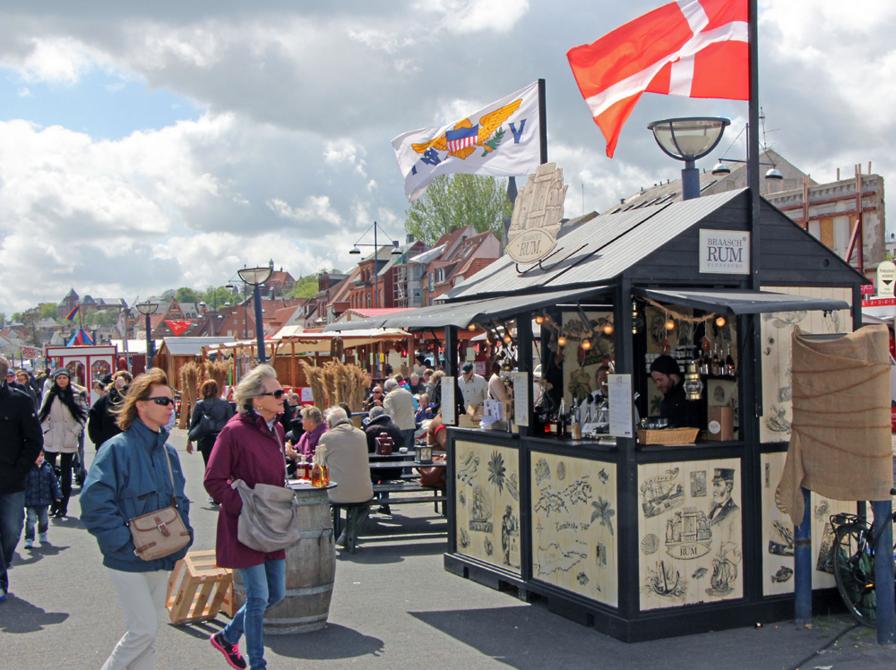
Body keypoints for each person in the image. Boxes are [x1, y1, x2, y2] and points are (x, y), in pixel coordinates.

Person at [80, 368, 193, 669]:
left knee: (147, 634)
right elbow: (93, 502)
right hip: (128, 556)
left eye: (173, 401)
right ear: (140, 404)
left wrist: (184, 536)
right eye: (162, 401)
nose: (170, 407)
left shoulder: (168, 452)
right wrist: (122, 543)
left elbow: (179, 498)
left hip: (162, 551)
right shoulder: (116, 449)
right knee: (143, 629)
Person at [204, 364, 288, 670]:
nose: (283, 397)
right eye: (277, 393)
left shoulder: (277, 430)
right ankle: (257, 664)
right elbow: (213, 479)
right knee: (258, 596)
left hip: (271, 523)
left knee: (276, 593)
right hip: (245, 525)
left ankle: (227, 637)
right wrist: (241, 504)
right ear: (257, 399)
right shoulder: (233, 431)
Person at [0, 355, 43, 602]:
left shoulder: (20, 401)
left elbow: (34, 440)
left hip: (12, 480)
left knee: (11, 529)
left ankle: (2, 566)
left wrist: (20, 470)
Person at [315, 406, 373, 552]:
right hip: (364, 491)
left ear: (330, 423)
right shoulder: (361, 435)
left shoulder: (326, 437)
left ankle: (337, 535)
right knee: (364, 504)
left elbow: (320, 464)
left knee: (327, 497)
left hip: (337, 492)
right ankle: (347, 533)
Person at [39, 369, 86, 519]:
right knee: (50, 473)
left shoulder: (76, 395)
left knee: (66, 474)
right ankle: (53, 504)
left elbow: (83, 416)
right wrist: (46, 430)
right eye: (59, 378)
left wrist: (73, 432)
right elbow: (42, 414)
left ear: (69, 379)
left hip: (68, 436)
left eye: (64, 377)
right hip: (52, 437)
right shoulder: (49, 394)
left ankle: (63, 506)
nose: (61, 380)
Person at [186, 379, 234, 468]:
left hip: (205, 439)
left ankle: (209, 481)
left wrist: (189, 440)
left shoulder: (200, 404)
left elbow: (194, 422)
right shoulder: (225, 404)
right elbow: (231, 423)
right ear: (216, 390)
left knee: (208, 465)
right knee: (222, 466)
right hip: (222, 439)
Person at [23, 451, 62, 550]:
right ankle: (29, 539)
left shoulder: (48, 467)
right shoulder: (28, 468)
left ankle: (42, 533)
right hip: (31, 501)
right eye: (37, 456)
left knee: (44, 519)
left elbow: (54, 483)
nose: (40, 458)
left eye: (42, 455)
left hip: (44, 501)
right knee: (31, 520)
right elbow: (23, 484)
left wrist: (57, 495)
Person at [649, 355, 699, 428]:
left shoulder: (690, 394)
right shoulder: (668, 397)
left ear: (672, 375)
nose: (657, 385)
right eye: (655, 381)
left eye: (660, 380)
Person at [88, 371, 132, 450]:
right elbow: (93, 418)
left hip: (127, 444)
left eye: (122, 381)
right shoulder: (104, 400)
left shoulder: (132, 400)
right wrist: (98, 438)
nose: (119, 383)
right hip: (106, 444)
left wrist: (125, 388)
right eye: (117, 380)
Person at [383, 378, 416, 450]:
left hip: (398, 426)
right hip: (410, 425)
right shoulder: (408, 393)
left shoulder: (389, 396)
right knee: (409, 450)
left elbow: (388, 413)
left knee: (399, 450)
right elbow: (414, 408)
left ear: (388, 387)